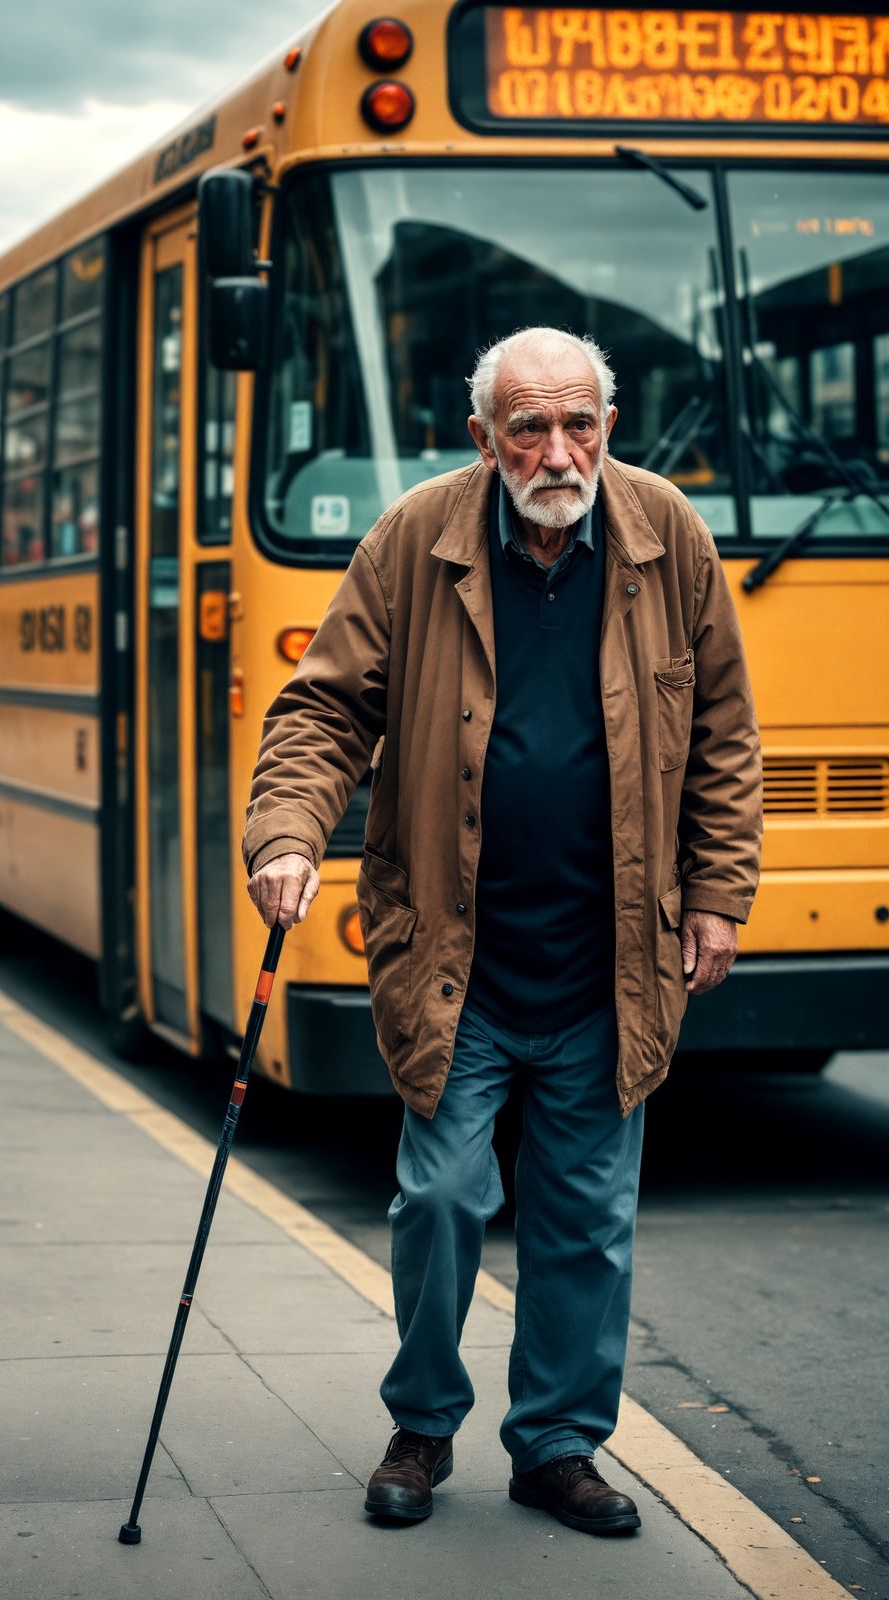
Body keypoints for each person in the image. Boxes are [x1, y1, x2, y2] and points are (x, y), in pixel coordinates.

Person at [243, 328, 762, 1536]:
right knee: (438, 1196)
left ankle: (558, 1445)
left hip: (609, 957)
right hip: (454, 951)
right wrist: (287, 834)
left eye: (578, 423)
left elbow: (728, 733)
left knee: (587, 1217)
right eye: (526, 425)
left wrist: (718, 891)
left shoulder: (667, 535)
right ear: (481, 436)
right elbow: (323, 707)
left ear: (608, 428)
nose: (556, 449)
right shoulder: (415, 538)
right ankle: (422, 1425)